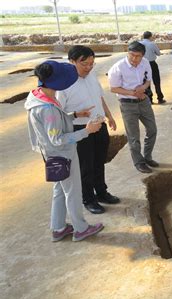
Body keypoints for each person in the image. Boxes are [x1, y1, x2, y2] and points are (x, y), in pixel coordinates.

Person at [25, 60, 104, 242]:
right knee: (73, 192)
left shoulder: (39, 96)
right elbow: (58, 138)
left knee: (60, 191)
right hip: (62, 154)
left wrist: (74, 115)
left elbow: (52, 125)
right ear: (58, 82)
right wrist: (86, 131)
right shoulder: (47, 108)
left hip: (51, 154)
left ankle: (58, 227)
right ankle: (80, 229)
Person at [57, 45, 120, 215]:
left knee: (100, 161)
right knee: (86, 166)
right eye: (84, 64)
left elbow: (100, 97)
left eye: (92, 63)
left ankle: (101, 192)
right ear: (72, 62)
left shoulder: (91, 76)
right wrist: (76, 113)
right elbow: (59, 114)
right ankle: (88, 199)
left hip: (99, 125)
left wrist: (109, 116)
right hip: (81, 128)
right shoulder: (63, 85)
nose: (89, 67)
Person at [108, 41, 159, 173]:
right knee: (133, 136)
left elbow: (148, 80)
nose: (134, 59)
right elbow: (113, 88)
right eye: (132, 55)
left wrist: (142, 88)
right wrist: (133, 93)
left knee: (152, 129)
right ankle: (139, 162)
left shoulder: (145, 63)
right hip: (127, 104)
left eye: (138, 56)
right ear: (127, 53)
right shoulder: (118, 67)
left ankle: (147, 157)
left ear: (143, 55)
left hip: (143, 101)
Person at [140, 31, 166, 104]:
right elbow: (158, 53)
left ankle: (149, 99)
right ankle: (160, 98)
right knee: (156, 81)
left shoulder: (140, 44)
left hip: (142, 65)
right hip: (152, 63)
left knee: (146, 82)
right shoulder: (152, 44)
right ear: (150, 37)